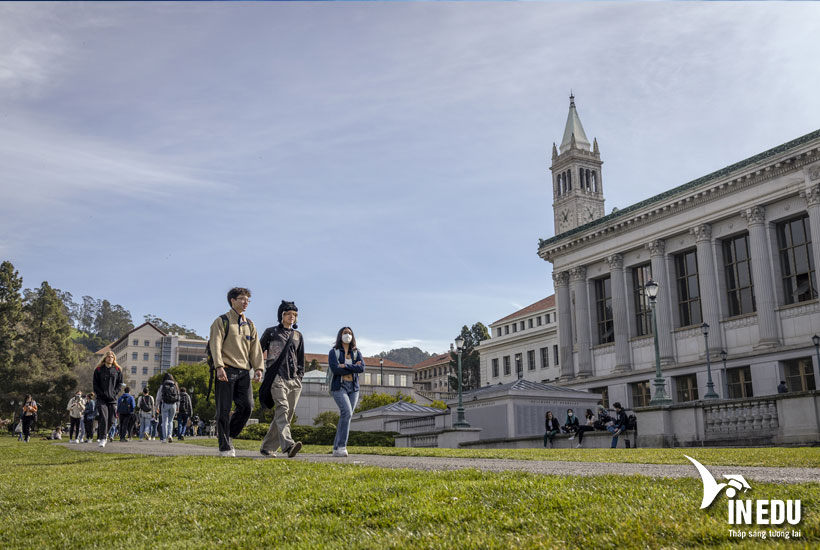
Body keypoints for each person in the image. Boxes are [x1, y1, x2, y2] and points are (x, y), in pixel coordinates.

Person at [209, 287, 264, 458]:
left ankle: (228, 435)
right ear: (232, 300)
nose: (245, 302)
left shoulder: (250, 324)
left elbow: (255, 349)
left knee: (247, 407)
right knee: (223, 410)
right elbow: (215, 345)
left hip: (243, 372)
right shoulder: (221, 321)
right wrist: (218, 366)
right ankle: (224, 447)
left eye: (247, 299)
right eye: (242, 298)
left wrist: (259, 368)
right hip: (225, 369)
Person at [258, 300, 305, 458]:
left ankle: (267, 447)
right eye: (288, 314)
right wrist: (258, 369)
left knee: (286, 413)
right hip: (276, 377)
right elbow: (258, 351)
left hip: (294, 380)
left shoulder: (298, 335)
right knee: (283, 409)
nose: (292, 317)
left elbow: (301, 359)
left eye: (294, 314)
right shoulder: (271, 332)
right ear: (281, 315)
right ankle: (288, 445)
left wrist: (299, 376)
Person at [328, 327, 365, 457]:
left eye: (349, 333)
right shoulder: (334, 352)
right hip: (339, 387)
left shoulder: (356, 352)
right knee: (347, 412)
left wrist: (346, 366)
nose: (347, 335)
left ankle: (336, 448)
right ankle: (342, 446)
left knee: (346, 416)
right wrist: (353, 368)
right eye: (345, 333)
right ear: (340, 335)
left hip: (354, 388)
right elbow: (335, 370)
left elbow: (361, 368)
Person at [93, 350, 123, 448]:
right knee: (104, 418)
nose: (110, 358)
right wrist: (100, 393)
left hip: (112, 399)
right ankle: (102, 438)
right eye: (108, 356)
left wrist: (115, 393)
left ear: (114, 359)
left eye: (112, 357)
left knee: (111, 420)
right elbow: (95, 385)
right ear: (105, 358)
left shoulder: (118, 370)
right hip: (101, 399)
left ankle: (104, 433)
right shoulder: (98, 370)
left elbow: (120, 384)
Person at [156, 373, 180, 444]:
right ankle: (170, 435)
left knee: (164, 422)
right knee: (171, 421)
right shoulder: (175, 384)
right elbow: (178, 396)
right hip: (173, 404)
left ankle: (164, 438)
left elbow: (158, 397)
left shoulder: (163, 385)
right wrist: (177, 407)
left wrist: (157, 406)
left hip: (165, 404)